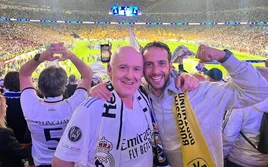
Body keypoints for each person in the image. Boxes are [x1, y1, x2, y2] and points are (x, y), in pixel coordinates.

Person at [90, 42, 268, 167]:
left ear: (170, 66)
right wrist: (105, 86)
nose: (156, 71)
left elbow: (259, 91)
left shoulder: (201, 92)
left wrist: (223, 56)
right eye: (149, 65)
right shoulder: (140, 96)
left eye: (161, 64)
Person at [52, 46, 198, 167]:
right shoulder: (90, 109)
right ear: (110, 69)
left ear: (141, 73)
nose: (130, 75)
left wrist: (183, 75)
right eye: (123, 67)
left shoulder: (144, 95)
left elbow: (163, 79)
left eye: (136, 69)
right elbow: (61, 162)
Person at [19, 44, 92, 167]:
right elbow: (87, 76)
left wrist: (41, 57)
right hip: (67, 162)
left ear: (39, 87)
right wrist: (71, 56)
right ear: (64, 87)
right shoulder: (73, 107)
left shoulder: (31, 107)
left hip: (41, 162)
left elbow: (24, 74)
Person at [222, 66, 268, 167]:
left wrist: (220, 158)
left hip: (239, 159)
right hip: (263, 162)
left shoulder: (242, 102)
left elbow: (228, 135)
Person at [0, 94, 32, 167]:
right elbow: (21, 153)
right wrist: (37, 141)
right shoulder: (5, 133)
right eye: (4, 105)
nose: (7, 106)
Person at [3, 71, 30, 144]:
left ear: (5, 84)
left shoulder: (2, 101)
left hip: (5, 142)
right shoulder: (29, 100)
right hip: (25, 141)